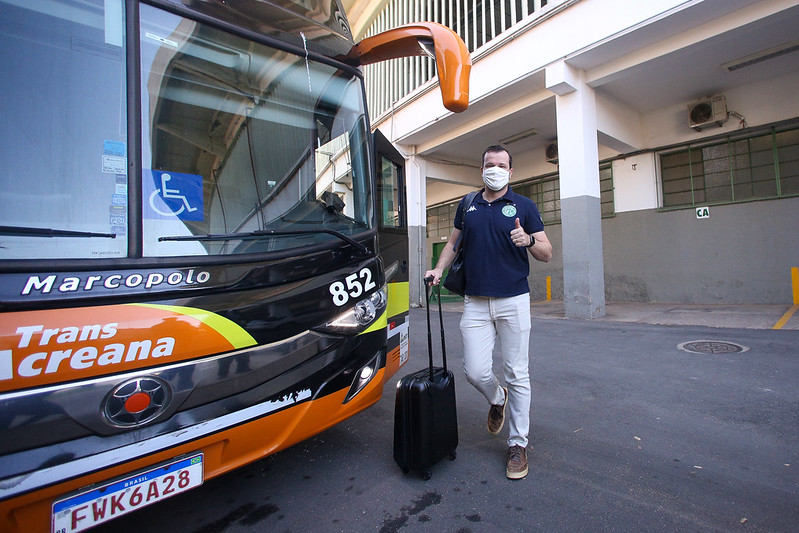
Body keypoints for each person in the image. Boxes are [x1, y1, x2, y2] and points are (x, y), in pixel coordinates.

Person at [425, 144, 552, 479]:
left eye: (500, 165)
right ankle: (498, 398)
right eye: (488, 164)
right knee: (475, 371)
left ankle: (517, 445)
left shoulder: (524, 206)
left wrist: (528, 241)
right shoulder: (468, 204)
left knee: (517, 372)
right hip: (475, 301)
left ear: (510, 172)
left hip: (513, 299)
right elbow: (453, 243)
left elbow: (547, 252)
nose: (493, 169)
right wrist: (438, 269)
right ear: (481, 169)